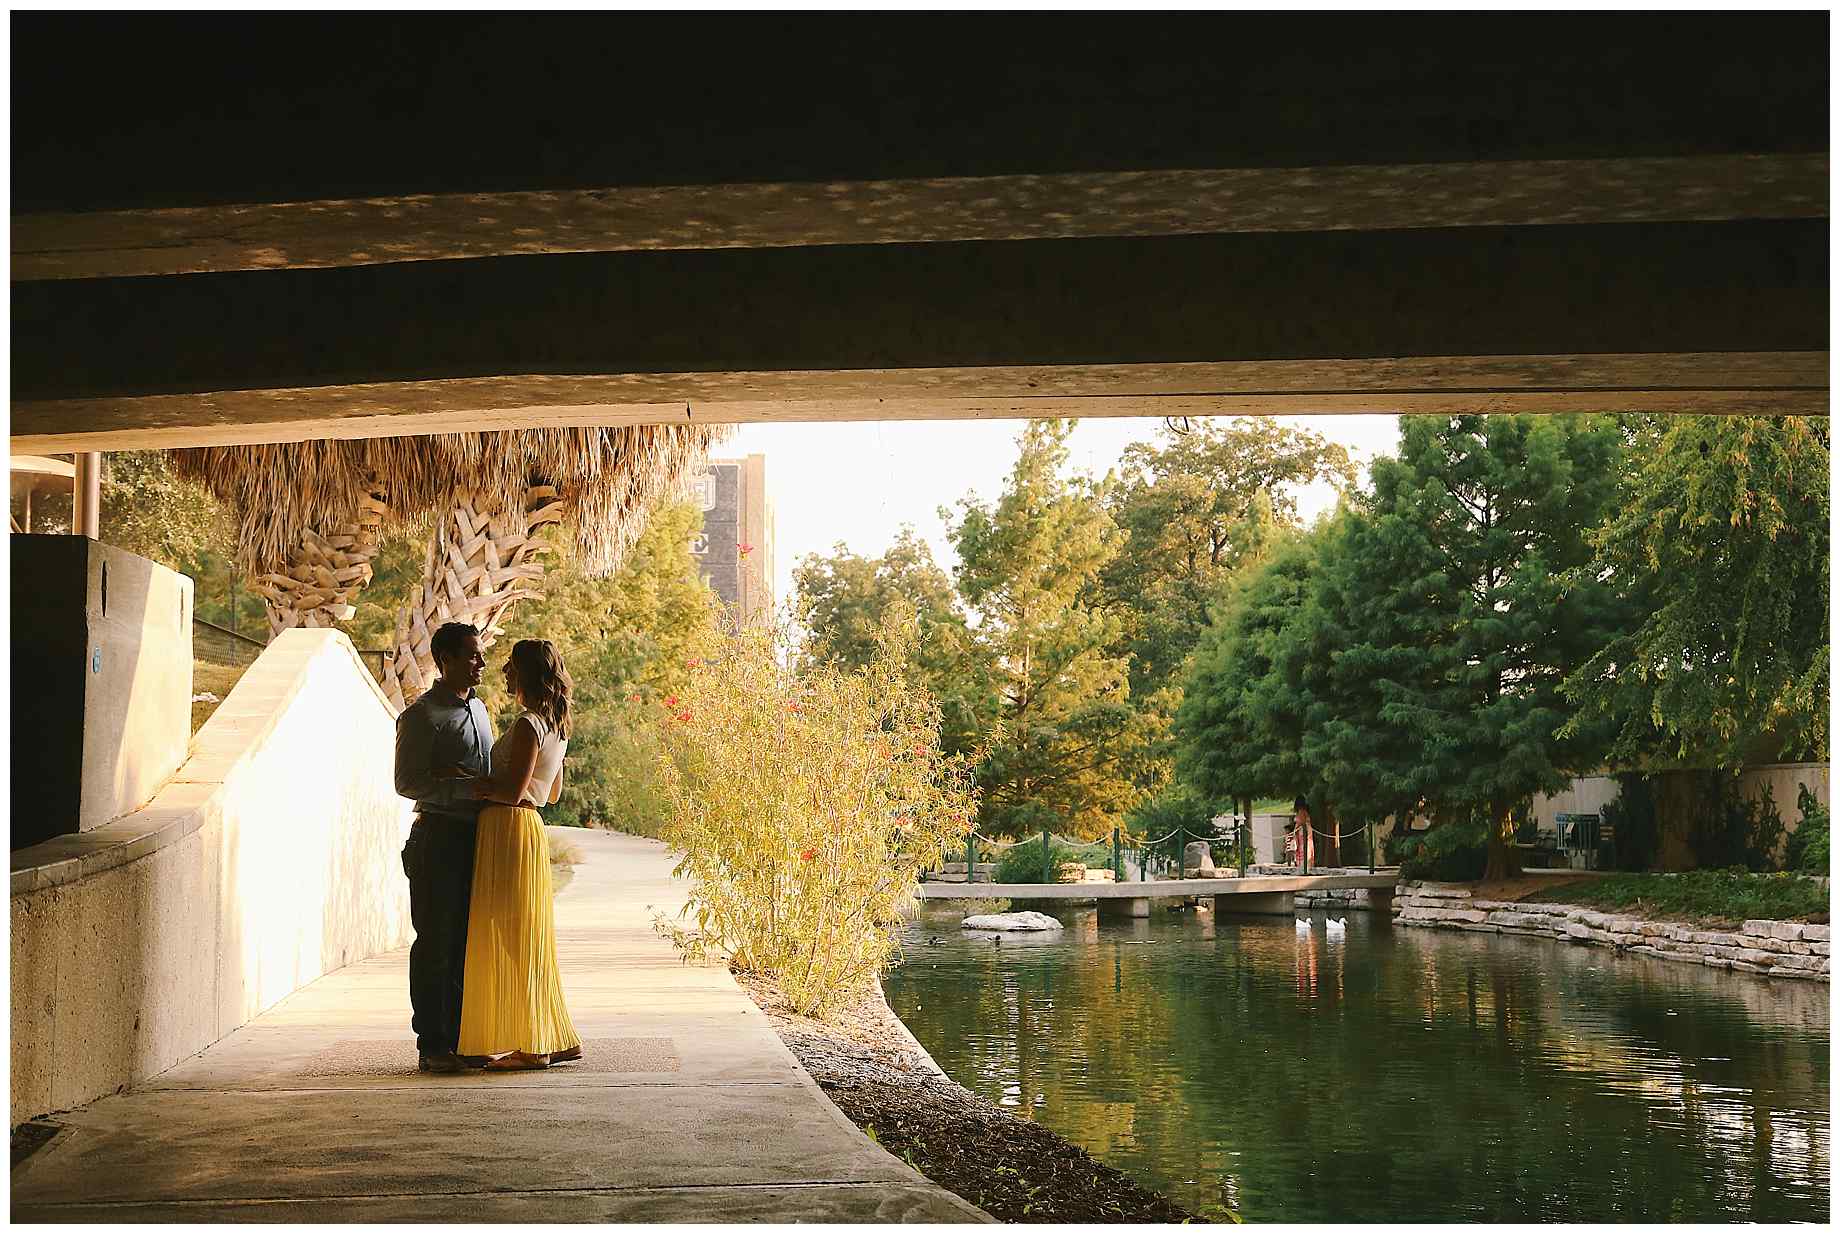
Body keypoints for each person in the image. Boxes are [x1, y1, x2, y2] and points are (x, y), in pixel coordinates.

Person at [454, 639, 583, 1071]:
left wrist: (472, 783)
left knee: (510, 935)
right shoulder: (556, 726)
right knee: (524, 933)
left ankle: (534, 1045)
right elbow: (554, 791)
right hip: (527, 829)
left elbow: (511, 791)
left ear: (526, 673)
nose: (504, 671)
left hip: (507, 828)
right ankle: (554, 1035)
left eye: (511, 665)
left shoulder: (529, 725)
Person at [394, 622, 494, 1074]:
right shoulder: (420, 716)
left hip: (481, 839)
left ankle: (462, 1038)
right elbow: (407, 782)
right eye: (472, 656)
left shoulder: (482, 710)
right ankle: (432, 1044)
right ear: (445, 660)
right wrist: (464, 791)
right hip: (437, 839)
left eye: (481, 655)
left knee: (467, 944)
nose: (481, 663)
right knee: (435, 942)